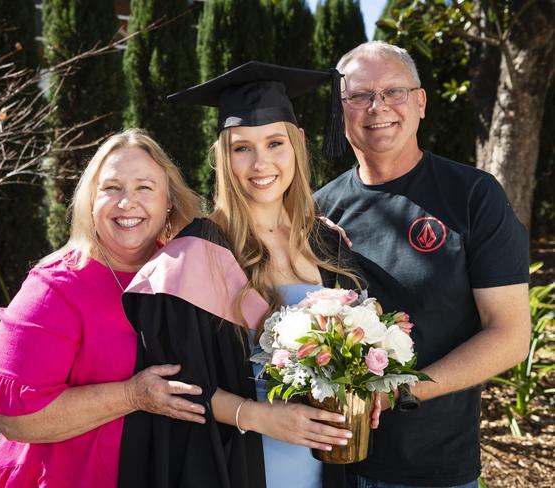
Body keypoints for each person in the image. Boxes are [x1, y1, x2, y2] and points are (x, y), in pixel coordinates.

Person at [118, 62, 378, 488]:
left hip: (326, 463)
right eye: (242, 148)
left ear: (296, 147)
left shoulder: (325, 244)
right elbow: (177, 384)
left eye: (275, 143)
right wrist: (257, 416)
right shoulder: (197, 249)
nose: (261, 163)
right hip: (239, 463)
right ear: (224, 157)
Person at [314, 41, 531, 488]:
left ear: (421, 102)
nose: (378, 107)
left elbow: (510, 335)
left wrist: (400, 390)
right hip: (324, 463)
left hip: (429, 469)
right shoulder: (318, 209)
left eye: (394, 91)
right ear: (341, 111)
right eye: (359, 96)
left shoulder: (472, 196)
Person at [0, 128, 204, 487]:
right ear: (91, 199)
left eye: (144, 187)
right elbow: (12, 418)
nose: (127, 202)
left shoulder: (186, 273)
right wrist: (131, 395)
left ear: (169, 201)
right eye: (112, 188)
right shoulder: (54, 288)